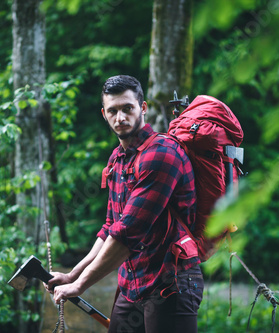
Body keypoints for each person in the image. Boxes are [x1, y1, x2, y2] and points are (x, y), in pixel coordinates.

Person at [45, 75, 204, 332]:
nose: (120, 117)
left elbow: (128, 233)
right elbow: (111, 226)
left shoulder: (162, 154)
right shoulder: (118, 158)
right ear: (104, 114)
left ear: (142, 108)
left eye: (127, 108)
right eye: (113, 111)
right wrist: (72, 274)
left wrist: (79, 286)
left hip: (171, 283)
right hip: (133, 285)